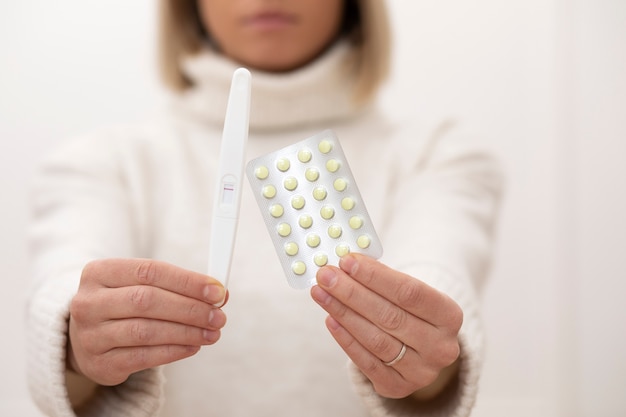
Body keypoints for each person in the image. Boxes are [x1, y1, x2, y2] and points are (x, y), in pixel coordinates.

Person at [26, 0, 502, 416]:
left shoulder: (439, 155)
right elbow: (68, 276)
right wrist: (74, 339)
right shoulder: (101, 162)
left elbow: (438, 272)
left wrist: (427, 358)